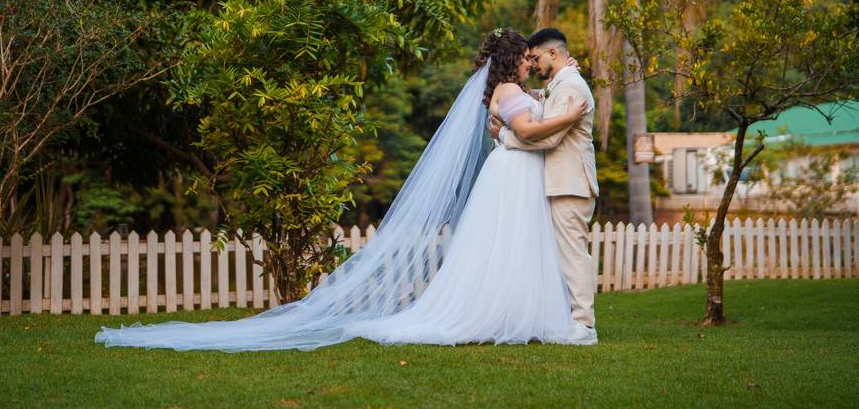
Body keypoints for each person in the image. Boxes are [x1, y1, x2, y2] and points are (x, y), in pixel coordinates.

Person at [95, 28, 595, 351]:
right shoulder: (510, 92)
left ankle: (524, 314)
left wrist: (528, 119)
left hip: (522, 176)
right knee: (506, 248)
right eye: (527, 58)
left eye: (536, 58)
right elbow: (528, 131)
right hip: (512, 177)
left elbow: (528, 124)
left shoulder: (522, 90)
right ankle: (511, 317)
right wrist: (543, 122)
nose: (532, 63)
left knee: (516, 250)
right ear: (515, 59)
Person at [488, 27, 599, 337]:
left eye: (535, 57)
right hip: (558, 181)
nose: (533, 64)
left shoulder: (570, 87)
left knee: (573, 254)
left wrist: (506, 137)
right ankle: (568, 319)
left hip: (570, 181)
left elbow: (549, 139)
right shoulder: (560, 84)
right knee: (562, 254)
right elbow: (539, 101)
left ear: (554, 54)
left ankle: (584, 324)